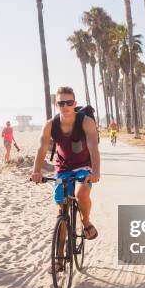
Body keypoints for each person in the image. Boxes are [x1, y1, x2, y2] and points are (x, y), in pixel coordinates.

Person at [30, 87, 100, 270]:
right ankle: (59, 259)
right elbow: (42, 148)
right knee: (62, 209)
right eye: (61, 103)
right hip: (62, 168)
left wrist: (96, 172)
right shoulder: (50, 124)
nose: (65, 106)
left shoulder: (86, 122)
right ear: (57, 104)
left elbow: (93, 147)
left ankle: (85, 221)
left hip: (84, 166)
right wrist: (36, 171)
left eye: (69, 102)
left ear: (74, 104)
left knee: (81, 192)